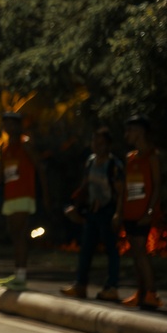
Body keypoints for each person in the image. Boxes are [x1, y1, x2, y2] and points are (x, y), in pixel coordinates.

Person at [0, 112, 49, 290]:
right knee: (15, 235)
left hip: (24, 196)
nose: (8, 128)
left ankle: (21, 277)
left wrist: (44, 194)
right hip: (10, 197)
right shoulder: (5, 149)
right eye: (5, 124)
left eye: (12, 124)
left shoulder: (25, 144)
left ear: (19, 126)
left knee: (20, 235)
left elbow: (39, 167)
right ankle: (17, 274)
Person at [60, 128, 124, 301]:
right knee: (86, 249)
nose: (96, 146)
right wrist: (76, 206)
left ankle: (112, 287)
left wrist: (118, 213)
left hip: (108, 210)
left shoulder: (114, 165)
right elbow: (85, 186)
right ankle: (81, 284)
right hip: (92, 211)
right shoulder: (90, 161)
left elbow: (121, 192)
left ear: (108, 145)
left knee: (111, 249)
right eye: (94, 142)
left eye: (100, 142)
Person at [121, 115, 162, 309]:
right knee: (135, 254)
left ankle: (152, 293)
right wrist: (119, 211)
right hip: (130, 211)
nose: (126, 135)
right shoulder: (130, 158)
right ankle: (141, 292)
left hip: (143, 212)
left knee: (141, 252)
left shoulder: (151, 156)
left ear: (140, 132)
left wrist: (150, 210)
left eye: (130, 130)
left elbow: (157, 185)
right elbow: (125, 187)